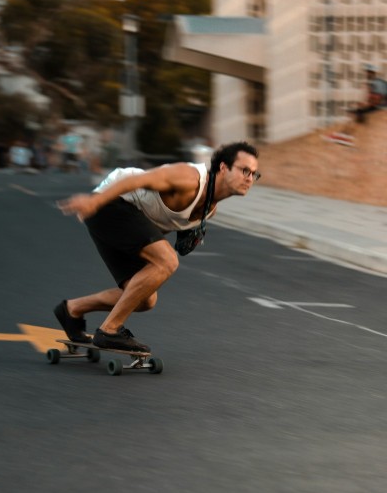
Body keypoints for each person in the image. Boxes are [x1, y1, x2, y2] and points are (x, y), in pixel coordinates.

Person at [54, 141, 260, 353]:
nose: (250, 178)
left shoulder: (209, 210)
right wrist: (93, 202)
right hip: (110, 201)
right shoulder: (188, 177)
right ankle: (109, 330)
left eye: (255, 174)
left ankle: (72, 309)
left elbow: (155, 228)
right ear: (224, 167)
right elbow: (135, 180)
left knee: (145, 298)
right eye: (245, 170)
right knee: (167, 260)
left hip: (125, 218)